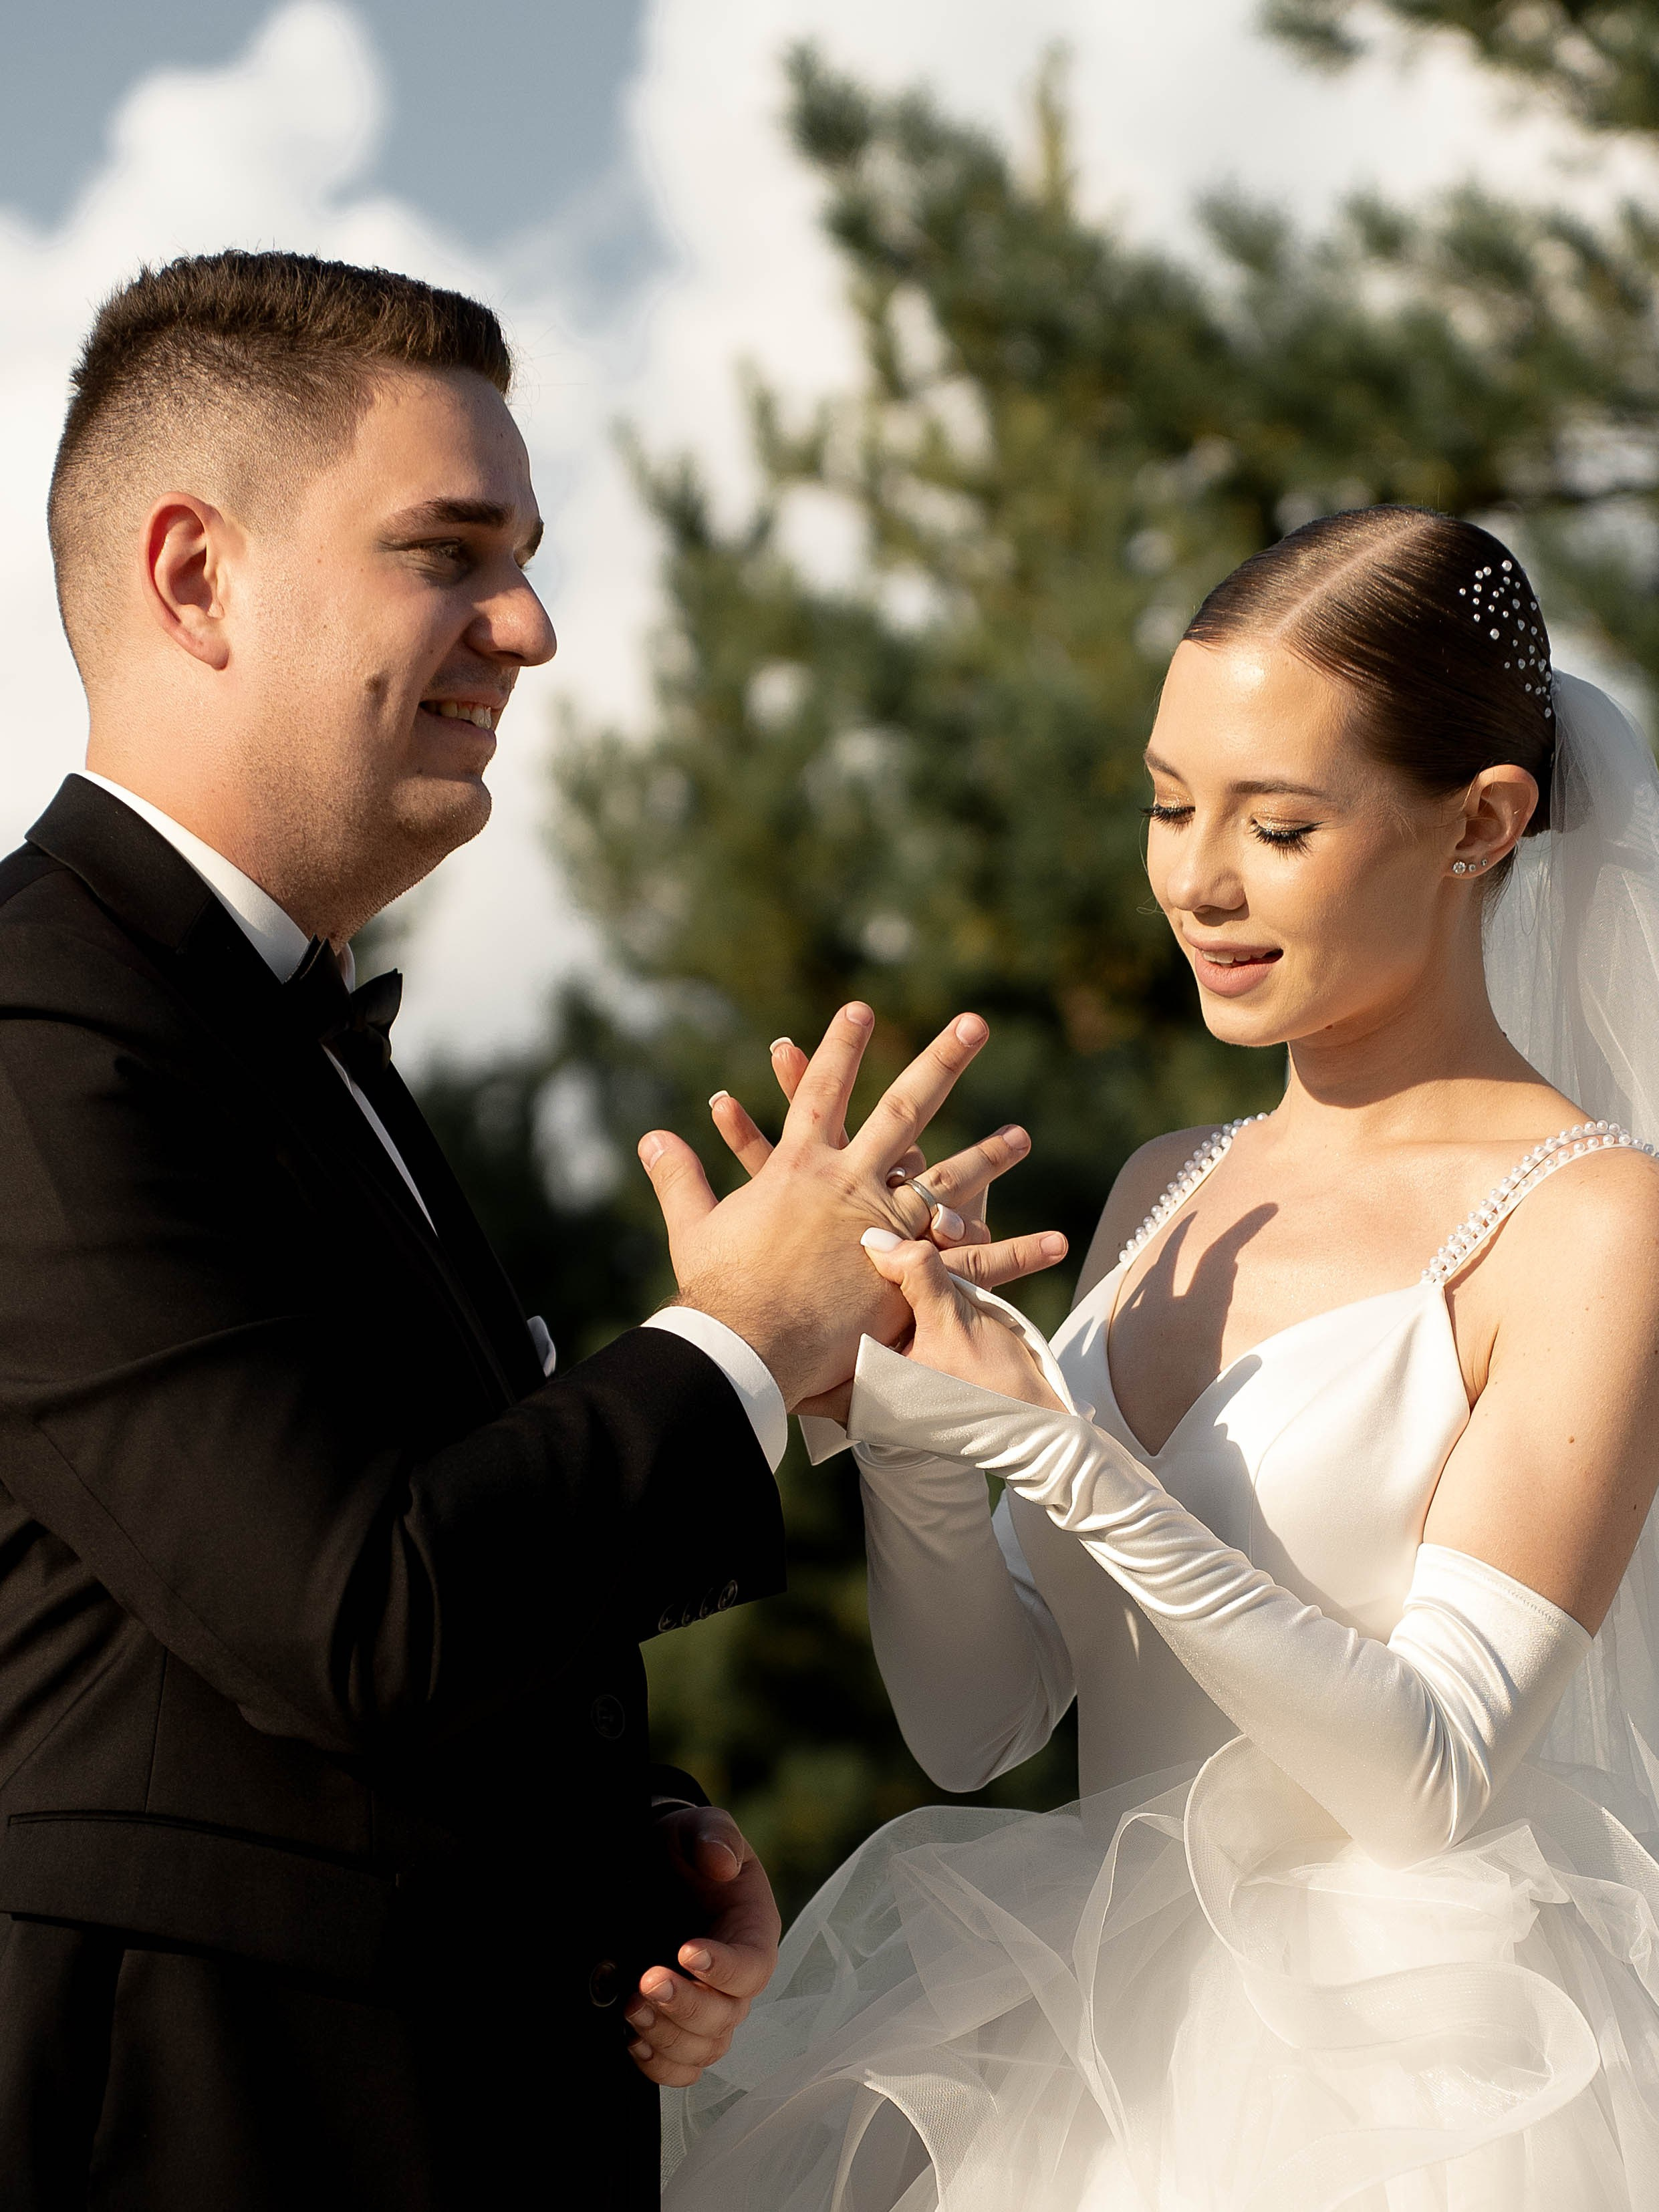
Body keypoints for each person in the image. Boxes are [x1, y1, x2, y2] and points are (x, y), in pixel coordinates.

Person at [0, 250, 1065, 2211]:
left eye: (527, 552)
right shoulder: (37, 1026)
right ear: (193, 576)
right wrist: (730, 1342)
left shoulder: (274, 1023)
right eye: (448, 549)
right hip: (205, 2124)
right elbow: (357, 1610)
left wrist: (637, 1850)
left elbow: (325, 1621)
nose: (532, 625)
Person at [660, 507, 1659, 2208]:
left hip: (1412, 2090)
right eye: (1165, 801)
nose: (1195, 879)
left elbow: (1422, 1775)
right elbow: (980, 1726)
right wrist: (906, 1413)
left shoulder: (1590, 1221)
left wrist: (1057, 1451)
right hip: (1084, 2072)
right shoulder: (1164, 1189)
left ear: (1480, 822)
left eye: (1277, 823)